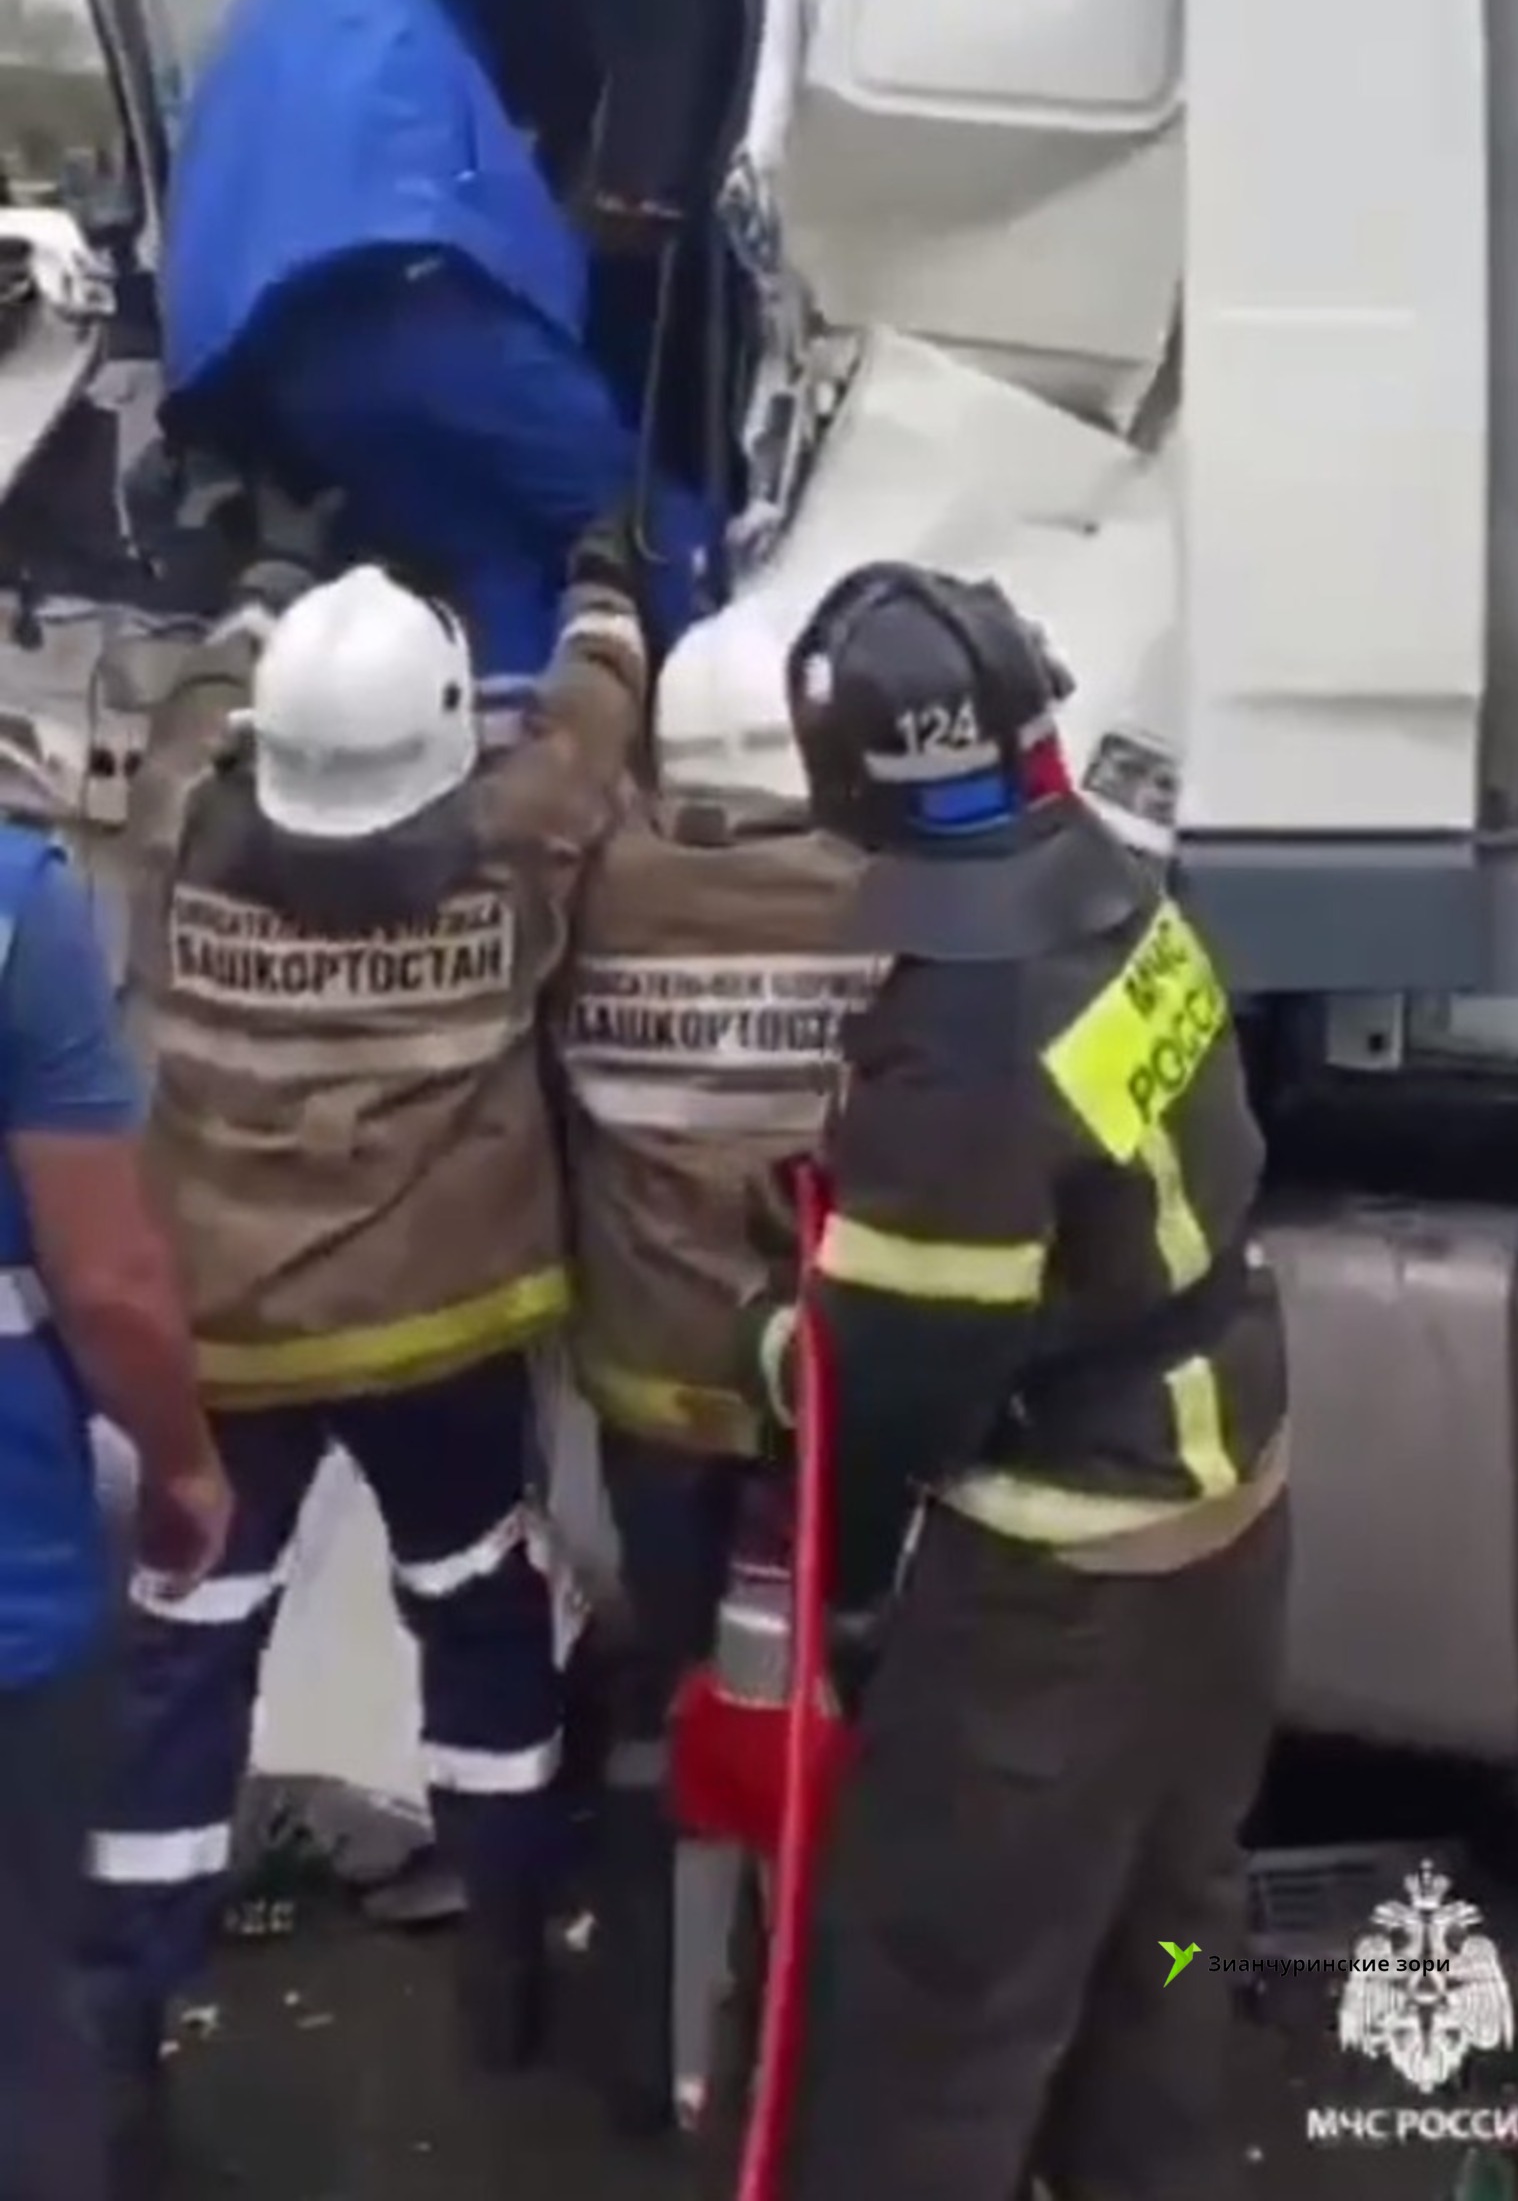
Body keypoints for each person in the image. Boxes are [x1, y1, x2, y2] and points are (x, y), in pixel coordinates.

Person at [84, 510, 652, 2191]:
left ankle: (121, 2028)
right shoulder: (511, 859)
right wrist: (606, 594)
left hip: (234, 1341)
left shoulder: (183, 835)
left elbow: (191, 712)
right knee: (475, 1611)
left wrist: (266, 584)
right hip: (444, 1332)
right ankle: (504, 1963)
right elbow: (590, 739)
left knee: (189, 1655)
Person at [759, 563, 1291, 2201]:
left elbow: (899, 1378)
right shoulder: (1126, 894)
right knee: (1168, 1930)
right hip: (1225, 1514)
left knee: (947, 2001)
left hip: (1058, 1597)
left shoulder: (957, 1031)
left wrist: (784, 1358)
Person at [159, 0, 711, 736]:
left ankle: (505, 768)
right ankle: (757, 737)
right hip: (397, 290)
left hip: (284, 369)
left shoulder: (271, 21)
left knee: (495, 555)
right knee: (639, 520)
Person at [556, 777, 873, 2134]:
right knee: (842, 1694)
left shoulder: (603, 887)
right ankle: (824, 2031)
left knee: (678, 1699)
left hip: (658, 1396)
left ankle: (663, 2051)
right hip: (818, 1392)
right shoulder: (874, 889)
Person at [0, 806, 228, 2201]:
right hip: (10, 1589)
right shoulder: (16, 907)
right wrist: (183, 1462)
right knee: (20, 2031)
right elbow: (111, 1286)